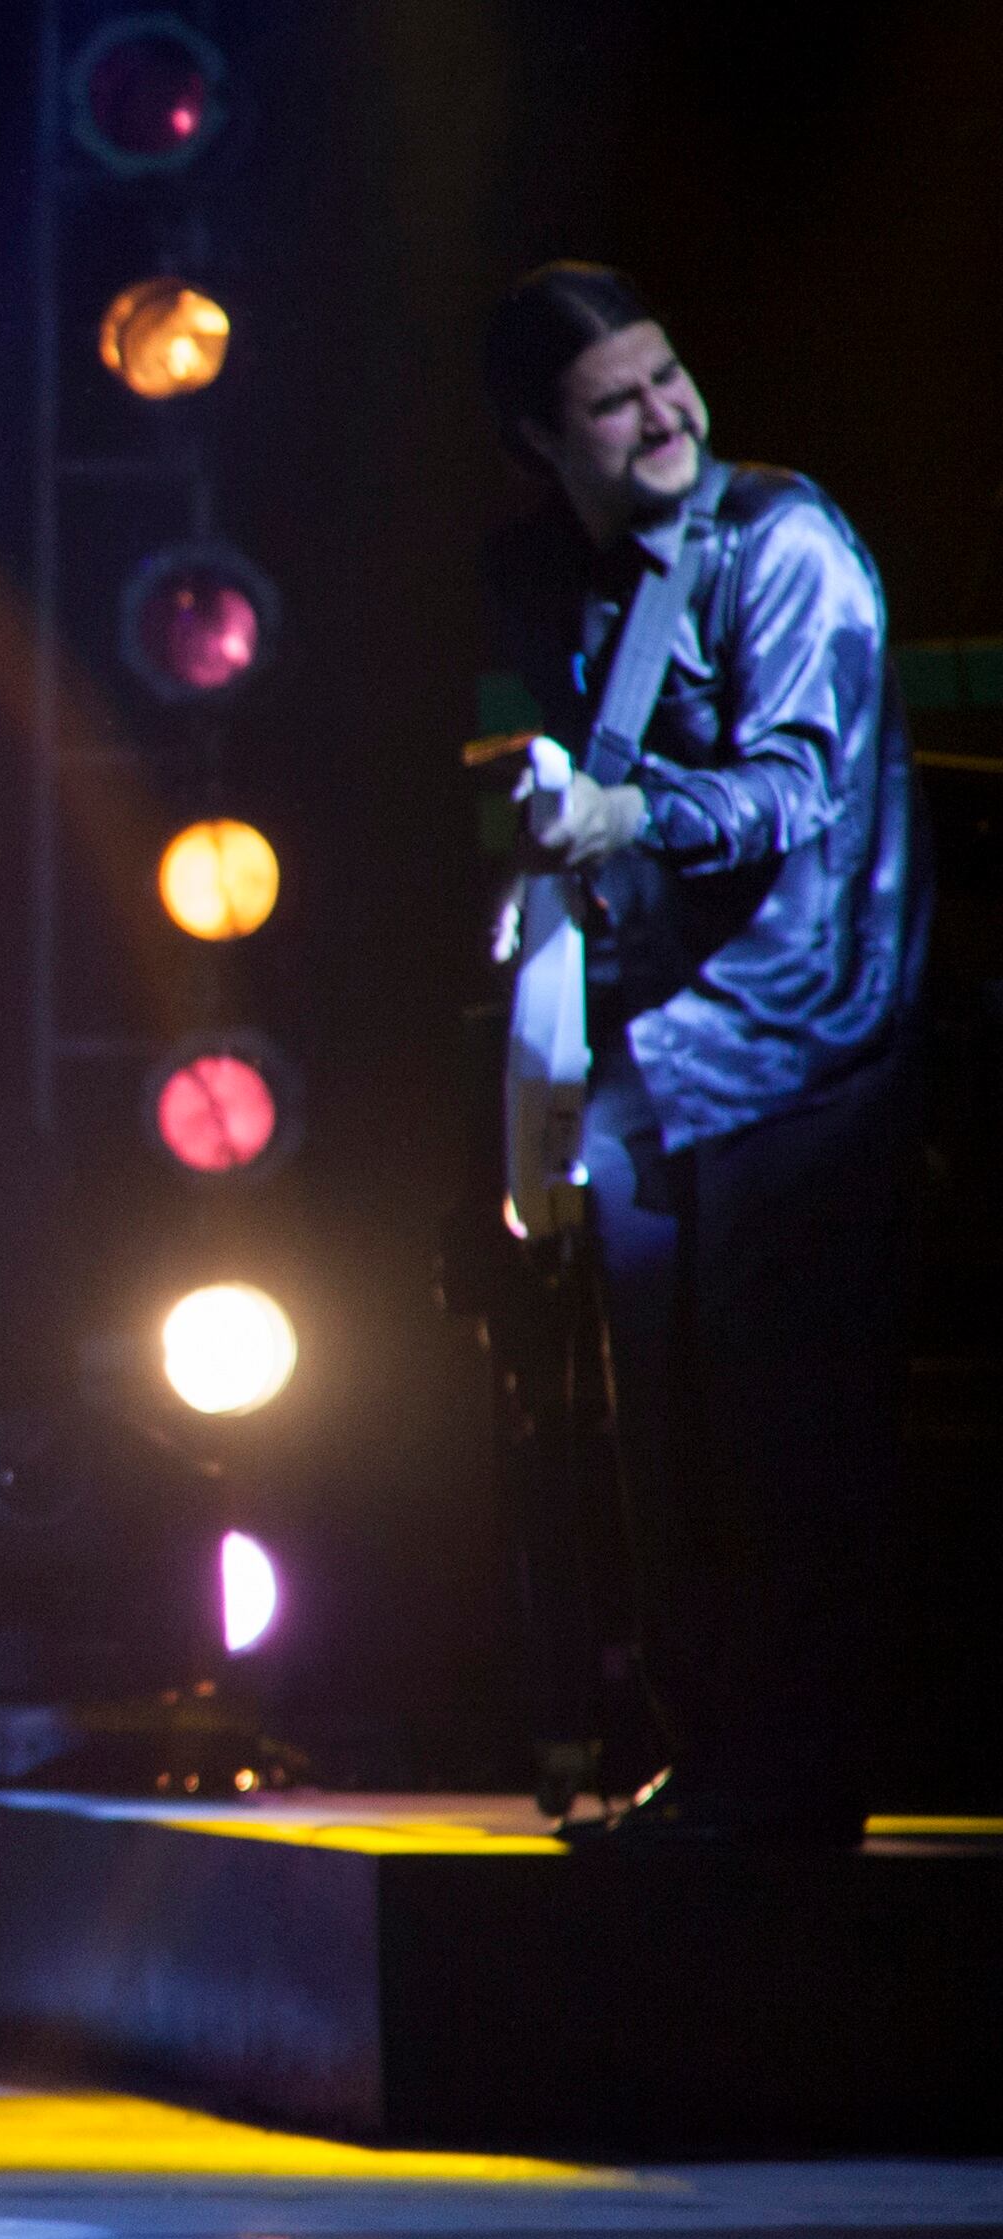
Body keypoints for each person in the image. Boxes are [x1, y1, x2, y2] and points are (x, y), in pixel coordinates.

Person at [480, 263, 927, 1849]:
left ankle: (790, 1785)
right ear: (545, 442)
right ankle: (708, 1764)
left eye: (666, 375)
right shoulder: (585, 578)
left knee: (772, 1442)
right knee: (658, 1444)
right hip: (664, 1065)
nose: (665, 413)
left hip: (803, 1059)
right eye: (615, 402)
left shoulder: (784, 540)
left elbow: (797, 784)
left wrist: (628, 813)